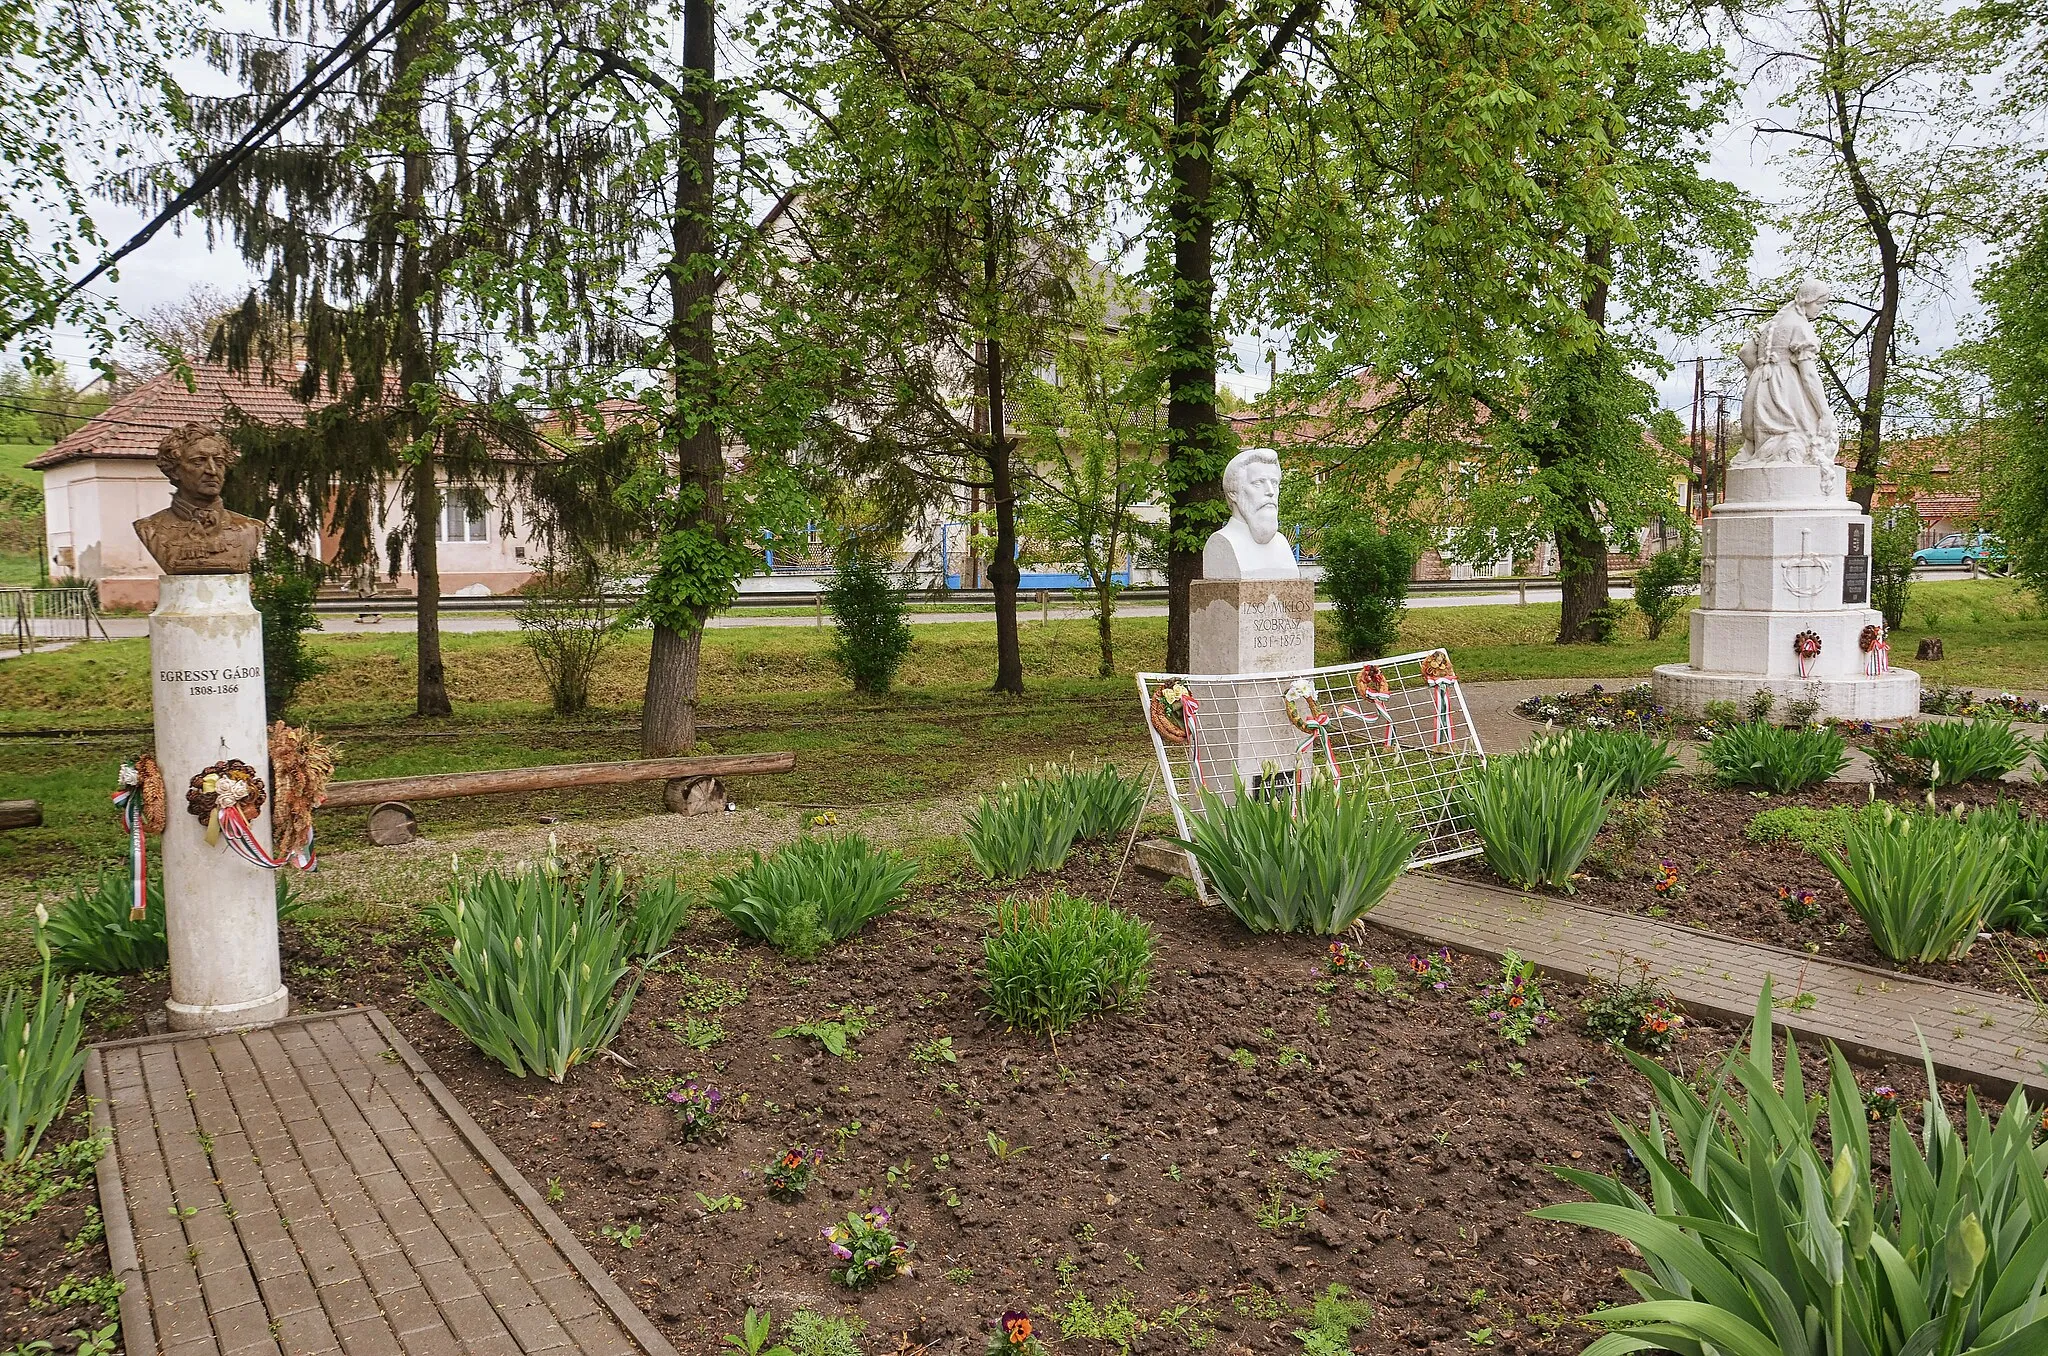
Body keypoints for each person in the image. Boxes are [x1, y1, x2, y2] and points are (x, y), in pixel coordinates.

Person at [1737, 280, 1844, 498]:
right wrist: (1824, 412)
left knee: (1771, 440)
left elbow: (1745, 352)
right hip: (1785, 388)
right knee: (1803, 434)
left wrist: (1760, 372)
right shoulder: (1800, 326)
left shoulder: (1772, 324)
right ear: (1809, 301)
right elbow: (1809, 374)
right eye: (1821, 304)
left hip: (1761, 388)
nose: (1821, 309)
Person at [133, 423, 264, 574]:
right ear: (174, 470)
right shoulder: (150, 529)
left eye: (219, 462)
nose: (212, 471)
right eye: (198, 462)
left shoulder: (251, 528)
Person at [1202, 447, 1299, 579]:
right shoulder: (1222, 543)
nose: (1270, 491)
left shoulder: (1282, 544)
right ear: (1233, 493)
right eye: (1258, 483)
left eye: (1274, 483)